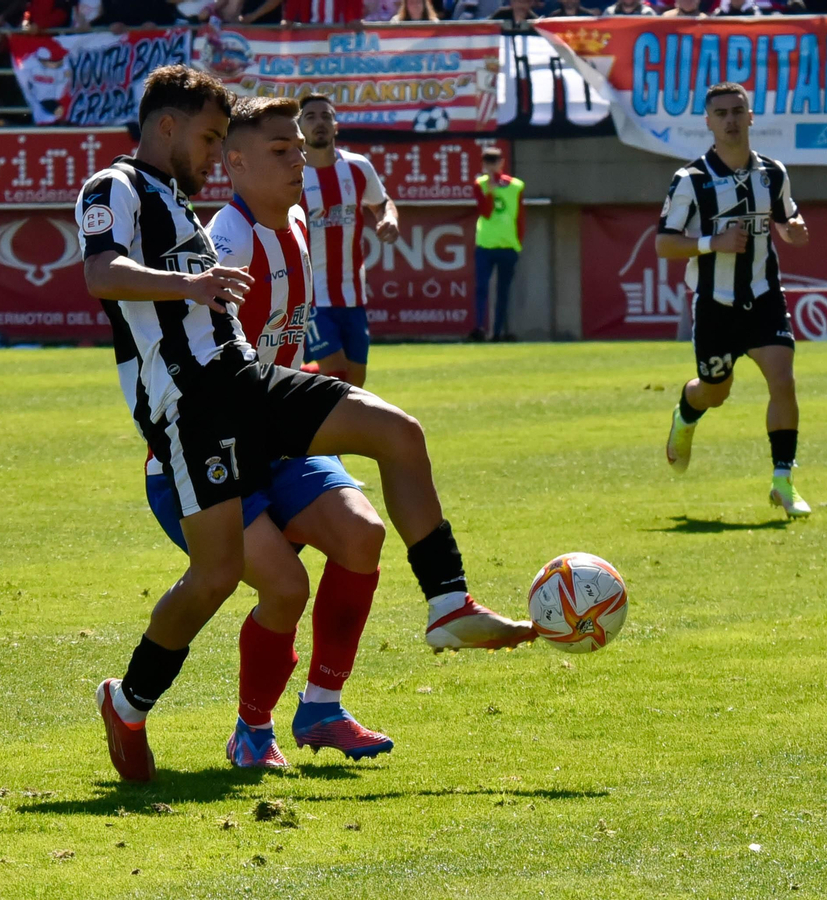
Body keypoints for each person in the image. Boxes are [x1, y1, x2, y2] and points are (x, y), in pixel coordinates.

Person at [78, 66, 532, 783]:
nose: (211, 153)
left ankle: (447, 602)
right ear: (166, 126)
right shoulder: (116, 188)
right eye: (208, 138)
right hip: (191, 409)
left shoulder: (189, 203)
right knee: (223, 576)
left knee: (397, 435)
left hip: (246, 384)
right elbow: (102, 274)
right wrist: (189, 284)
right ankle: (130, 703)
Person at [137, 96, 394, 769]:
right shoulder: (227, 240)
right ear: (236, 162)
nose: (300, 160)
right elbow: (205, 363)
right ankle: (252, 733)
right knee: (283, 588)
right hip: (209, 450)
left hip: (276, 438)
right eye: (281, 150)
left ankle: (322, 709)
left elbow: (276, 356)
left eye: (302, 147)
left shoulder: (300, 223)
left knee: (362, 533)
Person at [656, 82, 813, 519]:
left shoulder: (773, 173)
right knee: (715, 392)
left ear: (750, 116)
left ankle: (783, 480)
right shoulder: (691, 181)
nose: (730, 120)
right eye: (721, 113)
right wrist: (714, 242)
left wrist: (793, 229)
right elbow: (664, 244)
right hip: (715, 303)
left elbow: (786, 217)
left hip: (764, 296)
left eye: (737, 111)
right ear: (708, 122)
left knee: (782, 378)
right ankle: (686, 415)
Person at [297, 93, 399, 388]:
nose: (319, 122)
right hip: (312, 296)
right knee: (337, 376)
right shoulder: (292, 175)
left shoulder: (357, 167)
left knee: (355, 384)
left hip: (352, 294)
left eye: (326, 116)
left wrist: (389, 218)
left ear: (336, 126)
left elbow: (382, 203)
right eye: (311, 117)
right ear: (299, 126)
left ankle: (290, 380)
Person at [470, 146, 525, 343]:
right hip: (485, 244)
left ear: (501, 163)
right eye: (487, 162)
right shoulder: (480, 184)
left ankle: (498, 332)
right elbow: (485, 212)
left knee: (503, 291)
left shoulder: (516, 186)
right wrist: (491, 191)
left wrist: (518, 243)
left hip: (508, 245)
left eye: (495, 161)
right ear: (483, 164)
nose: (491, 166)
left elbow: (520, 216)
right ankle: (479, 328)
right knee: (481, 288)